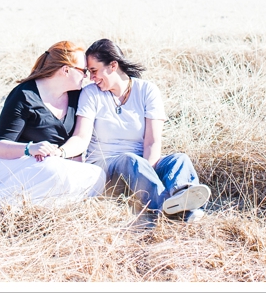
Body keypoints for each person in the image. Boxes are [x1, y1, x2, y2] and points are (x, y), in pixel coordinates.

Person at [58, 38, 211, 223]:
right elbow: (81, 137)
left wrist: (148, 173)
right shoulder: (91, 94)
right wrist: (61, 152)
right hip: (106, 170)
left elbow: (152, 142)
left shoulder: (147, 91)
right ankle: (167, 209)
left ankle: (184, 202)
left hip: (143, 166)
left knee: (179, 160)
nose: (91, 78)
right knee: (129, 160)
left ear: (113, 65)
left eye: (94, 71)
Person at [0, 41, 106, 213]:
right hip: (7, 169)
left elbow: (76, 144)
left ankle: (40, 209)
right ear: (66, 69)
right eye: (83, 71)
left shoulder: (76, 96)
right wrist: (30, 149)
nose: (86, 76)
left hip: (51, 168)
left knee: (97, 176)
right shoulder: (25, 95)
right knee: (52, 168)